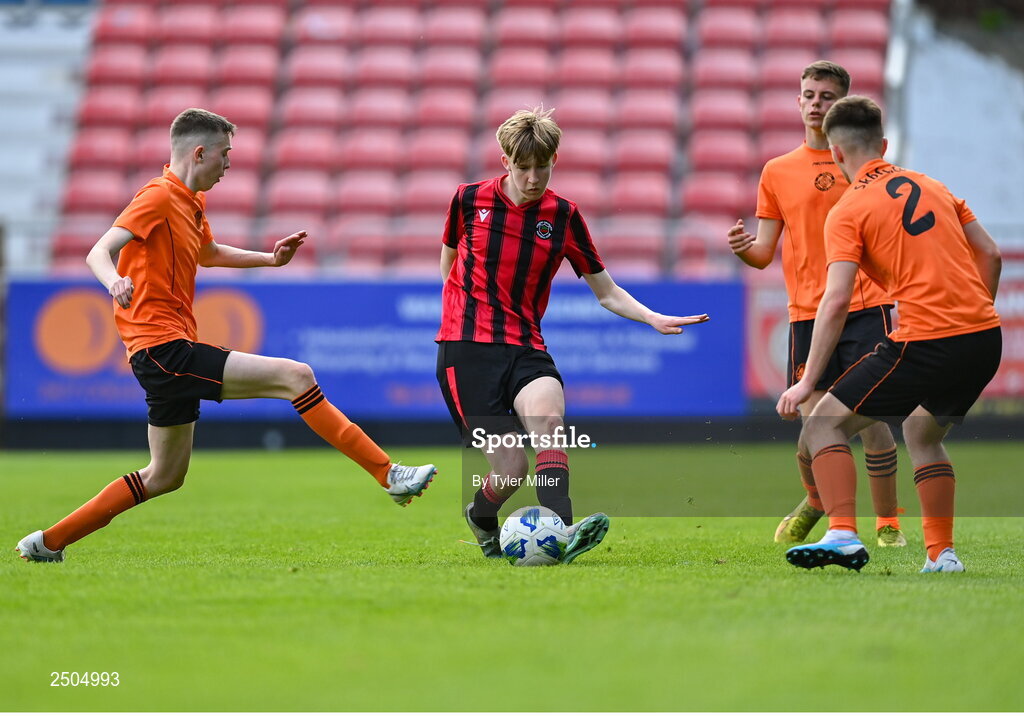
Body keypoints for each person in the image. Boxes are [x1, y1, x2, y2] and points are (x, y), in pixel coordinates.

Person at [16, 108, 436, 563]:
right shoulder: (157, 196)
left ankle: (48, 542)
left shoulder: (190, 201)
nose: (229, 165)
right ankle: (388, 473)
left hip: (160, 352)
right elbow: (100, 251)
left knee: (164, 476)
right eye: (225, 155)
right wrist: (113, 280)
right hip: (163, 349)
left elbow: (209, 252)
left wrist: (270, 261)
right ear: (200, 153)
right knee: (297, 376)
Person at [437, 107, 710, 563]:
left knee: (549, 424)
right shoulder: (467, 200)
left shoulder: (562, 216)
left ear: (554, 160)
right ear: (505, 161)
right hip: (466, 352)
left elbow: (607, 291)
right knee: (512, 468)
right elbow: (448, 267)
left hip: (526, 347)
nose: (532, 178)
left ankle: (562, 530)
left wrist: (653, 318)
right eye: (522, 167)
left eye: (541, 167)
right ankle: (482, 517)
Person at [777, 95, 1001, 573]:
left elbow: (835, 300)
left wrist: (805, 379)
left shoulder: (848, 209)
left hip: (927, 339)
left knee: (822, 424)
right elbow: (991, 254)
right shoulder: (934, 186)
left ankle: (841, 535)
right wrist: (974, 313)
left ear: (836, 154)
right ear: (882, 144)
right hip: (984, 338)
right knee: (922, 431)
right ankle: (942, 556)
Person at [726, 61, 906, 548]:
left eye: (826, 96)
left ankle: (887, 523)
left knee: (870, 421)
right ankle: (817, 503)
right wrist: (746, 249)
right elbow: (766, 252)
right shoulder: (778, 171)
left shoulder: (861, 165)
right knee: (812, 426)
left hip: (866, 306)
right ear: (797, 100)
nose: (814, 103)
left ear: (842, 105)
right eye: (808, 95)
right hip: (807, 312)